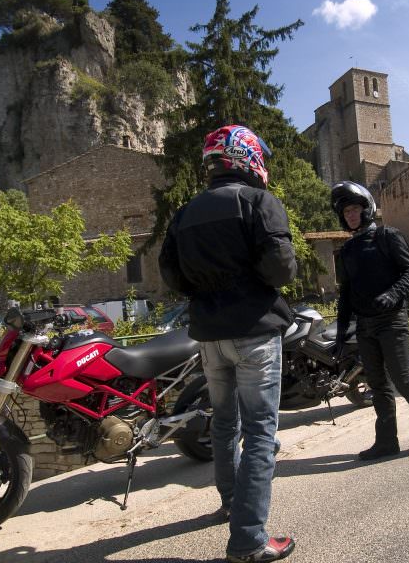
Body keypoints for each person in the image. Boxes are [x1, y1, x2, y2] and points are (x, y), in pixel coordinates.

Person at [159, 124, 297, 562]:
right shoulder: (258, 201)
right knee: (260, 432)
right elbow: (281, 269)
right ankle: (249, 540)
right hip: (254, 331)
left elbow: (171, 275)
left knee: (224, 423)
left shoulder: (183, 214)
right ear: (248, 157)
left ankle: (230, 505)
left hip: (209, 337)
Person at [331, 181, 409, 460]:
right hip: (365, 325)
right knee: (377, 385)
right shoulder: (345, 252)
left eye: (355, 209)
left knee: (403, 378)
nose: (351, 215)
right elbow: (345, 293)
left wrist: (392, 295)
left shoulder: (387, 236)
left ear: (366, 209)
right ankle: (386, 441)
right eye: (346, 212)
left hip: (391, 320)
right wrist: (342, 332)